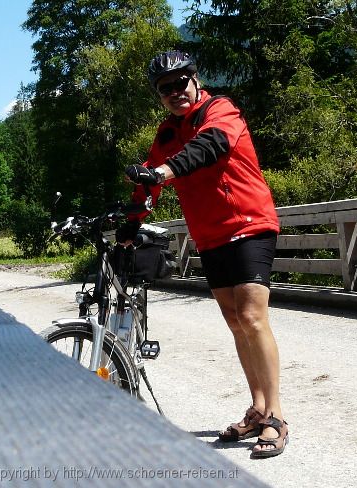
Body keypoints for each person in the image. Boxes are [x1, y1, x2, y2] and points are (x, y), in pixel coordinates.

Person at [118, 50, 288, 458]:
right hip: (209, 236)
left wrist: (161, 172)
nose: (175, 92)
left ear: (195, 79)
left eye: (180, 82)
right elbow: (149, 181)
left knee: (251, 317)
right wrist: (130, 219)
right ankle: (258, 407)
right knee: (235, 323)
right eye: (165, 88)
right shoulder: (167, 134)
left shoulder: (221, 111)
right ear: (159, 96)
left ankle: (277, 417)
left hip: (249, 225)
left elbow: (209, 147)